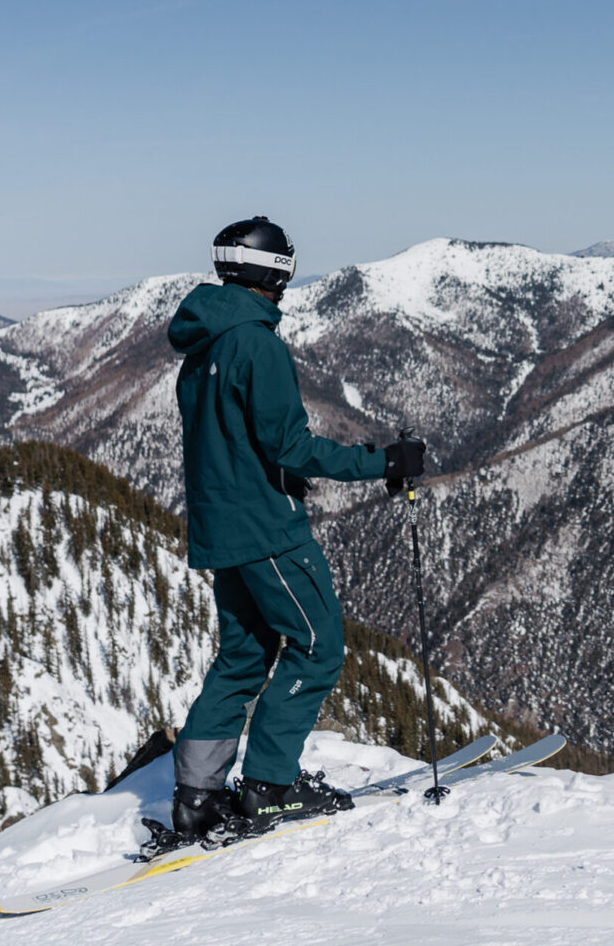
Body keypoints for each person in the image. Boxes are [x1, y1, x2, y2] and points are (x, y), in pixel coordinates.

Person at [166, 215, 425, 841]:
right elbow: (290, 447)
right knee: (318, 646)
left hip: (220, 532)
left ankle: (197, 796)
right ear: (274, 273)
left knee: (242, 657)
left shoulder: (202, 344)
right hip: (269, 533)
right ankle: (269, 786)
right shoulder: (256, 344)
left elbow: (228, 447)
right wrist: (382, 461)